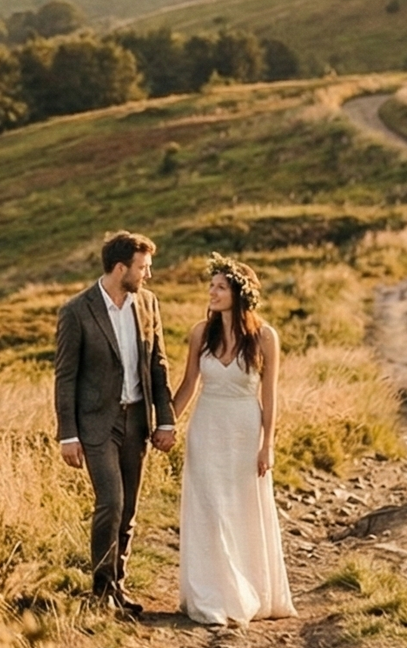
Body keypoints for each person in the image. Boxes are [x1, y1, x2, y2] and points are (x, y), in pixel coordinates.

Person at [54, 231, 177, 616]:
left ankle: (118, 588)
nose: (148, 275)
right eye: (143, 268)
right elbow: (65, 376)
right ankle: (101, 590)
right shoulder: (77, 311)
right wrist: (67, 434)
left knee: (129, 511)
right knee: (111, 501)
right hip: (96, 425)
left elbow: (158, 364)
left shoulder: (149, 304)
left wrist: (166, 420)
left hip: (137, 420)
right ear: (121, 267)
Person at [172, 254, 296, 625]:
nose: (212, 292)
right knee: (210, 509)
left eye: (220, 287)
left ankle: (247, 590)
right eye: (211, 286)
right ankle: (212, 595)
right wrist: (164, 425)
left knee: (241, 510)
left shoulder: (265, 337)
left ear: (240, 295)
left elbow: (269, 396)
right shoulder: (200, 333)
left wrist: (267, 444)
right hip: (207, 427)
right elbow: (189, 384)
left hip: (244, 430)